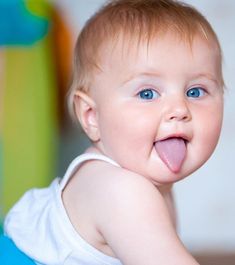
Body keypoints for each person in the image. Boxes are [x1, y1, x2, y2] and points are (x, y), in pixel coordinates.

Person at [3, 0, 224, 264]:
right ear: (92, 116)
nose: (179, 109)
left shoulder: (147, 181)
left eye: (195, 91)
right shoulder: (120, 189)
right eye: (147, 93)